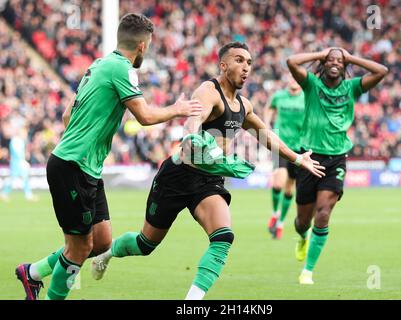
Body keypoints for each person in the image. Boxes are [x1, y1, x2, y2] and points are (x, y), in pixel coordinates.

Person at [91, 42, 325, 300]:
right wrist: (192, 136)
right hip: (178, 175)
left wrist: (296, 158)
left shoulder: (243, 106)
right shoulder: (208, 91)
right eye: (239, 60)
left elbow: (265, 135)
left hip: (208, 180)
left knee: (223, 237)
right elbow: (194, 119)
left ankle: (192, 302)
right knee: (146, 244)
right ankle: (108, 252)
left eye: (249, 62)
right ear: (223, 65)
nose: (246, 67)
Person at [15, 13, 202, 300]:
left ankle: (33, 273)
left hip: (84, 167)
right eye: (148, 45)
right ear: (142, 46)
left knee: (101, 242)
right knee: (77, 248)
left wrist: (86, 145)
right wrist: (179, 109)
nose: (147, 50)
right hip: (72, 167)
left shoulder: (98, 65)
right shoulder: (123, 69)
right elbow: (145, 115)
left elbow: (68, 115)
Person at [286, 47, 388, 284]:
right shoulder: (311, 84)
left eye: (339, 61)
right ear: (323, 63)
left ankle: (308, 271)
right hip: (309, 157)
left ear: (344, 66)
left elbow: (382, 70)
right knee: (303, 221)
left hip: (337, 158)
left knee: (323, 213)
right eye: (330, 59)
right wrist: (319, 54)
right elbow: (292, 61)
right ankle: (302, 237)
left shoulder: (352, 87)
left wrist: (349, 57)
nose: (335, 62)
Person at [264, 75, 305, 239]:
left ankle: (280, 223)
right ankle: (275, 213)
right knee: (278, 183)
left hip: (300, 147)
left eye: (297, 78)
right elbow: (269, 108)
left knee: (289, 188)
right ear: (288, 79)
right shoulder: (279, 96)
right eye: (291, 77)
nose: (294, 80)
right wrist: (267, 124)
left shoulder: (307, 97)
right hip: (280, 144)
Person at [1, 126, 37, 202]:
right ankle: (4, 193)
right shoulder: (16, 140)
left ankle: (28, 194)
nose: (25, 134)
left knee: (24, 178)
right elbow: (17, 153)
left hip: (18, 163)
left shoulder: (19, 140)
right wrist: (23, 161)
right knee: (14, 178)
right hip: (17, 163)